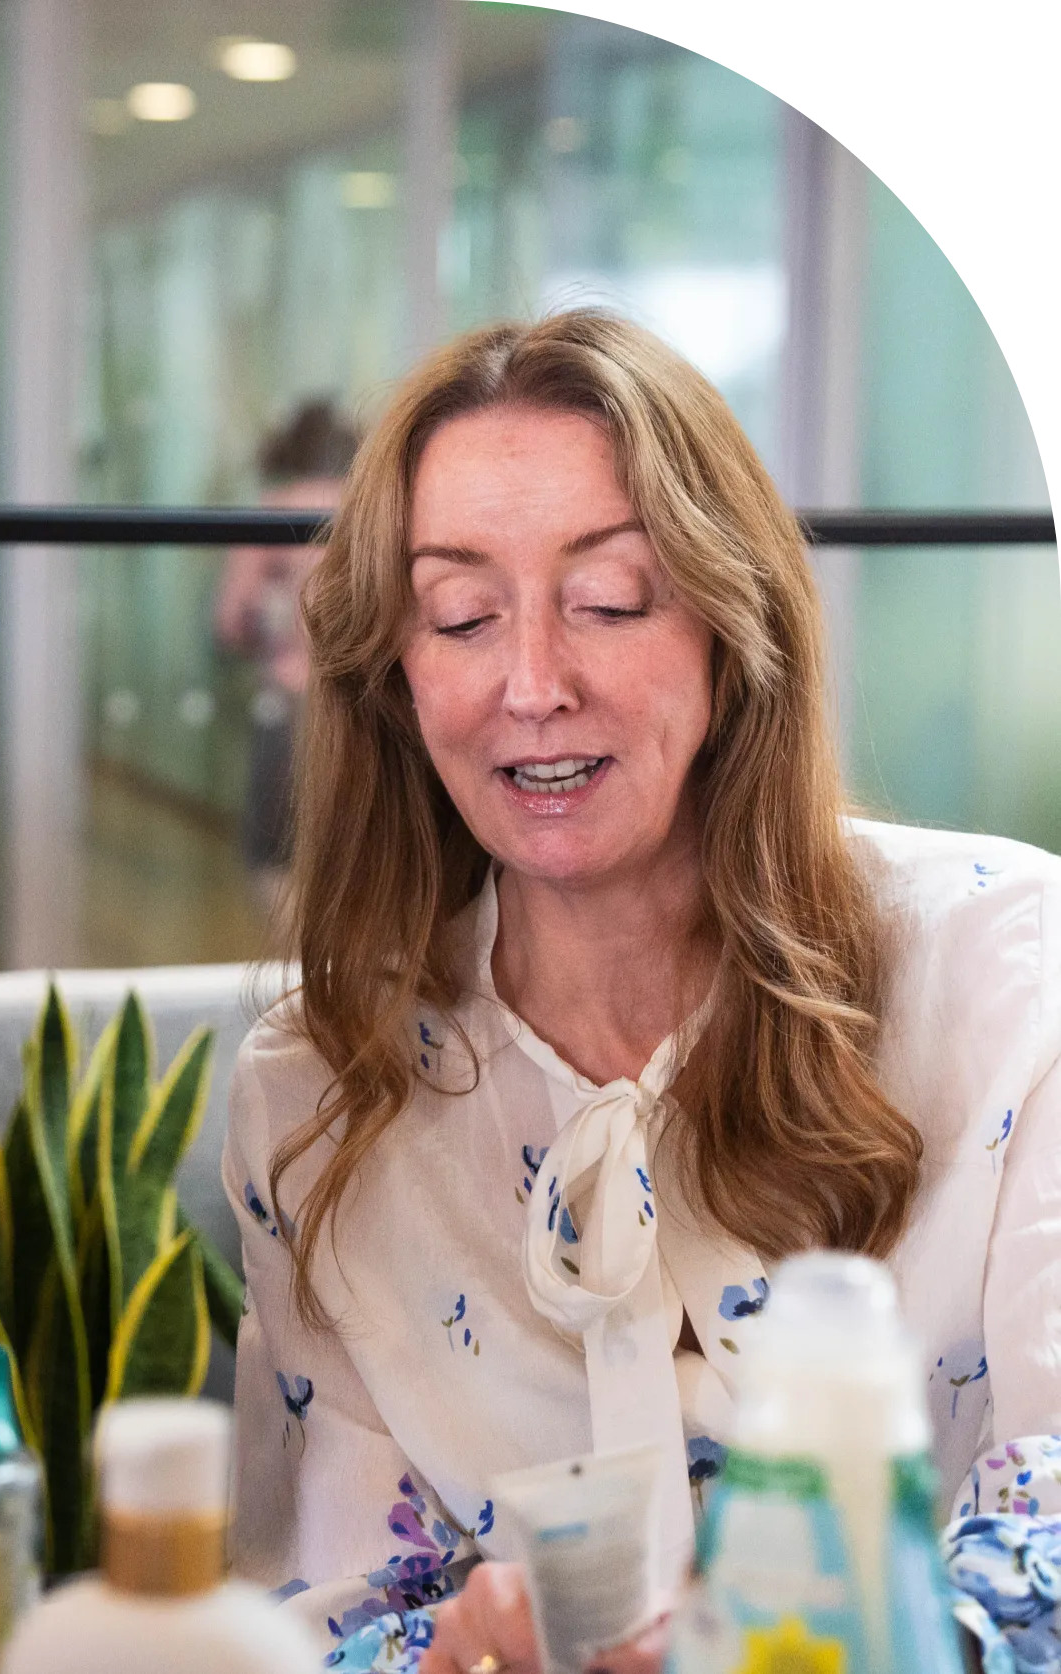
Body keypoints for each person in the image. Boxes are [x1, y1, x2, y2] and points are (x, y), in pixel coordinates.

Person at [220, 311, 1060, 1673]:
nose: (534, 684)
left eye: (610, 602)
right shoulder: (322, 1087)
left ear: (736, 629)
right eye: (462, 616)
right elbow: (334, 1606)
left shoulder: (1013, 970)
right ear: (398, 671)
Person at [214, 399, 357, 940]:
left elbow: (231, 621)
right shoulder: (364, 507)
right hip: (355, 700)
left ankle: (303, 970)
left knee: (271, 852)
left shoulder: (272, 510)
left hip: (287, 696)